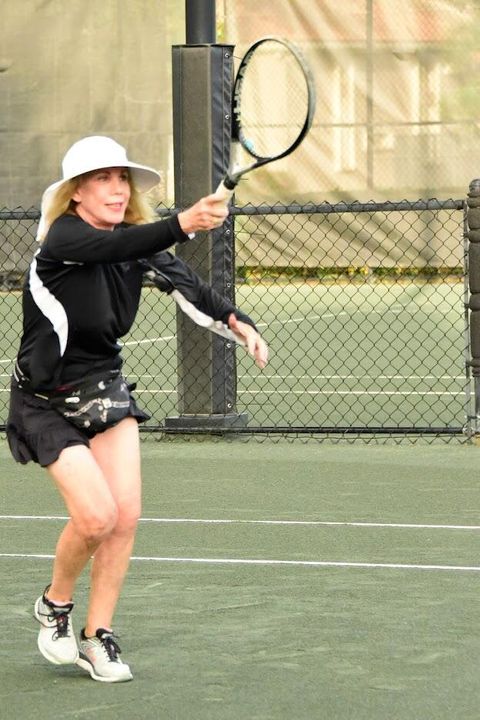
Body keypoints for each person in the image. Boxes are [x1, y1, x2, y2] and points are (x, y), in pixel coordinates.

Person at [6, 135, 268, 683]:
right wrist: (185, 220)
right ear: (76, 192)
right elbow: (112, 249)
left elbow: (187, 284)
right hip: (45, 399)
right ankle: (56, 604)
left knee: (124, 517)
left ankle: (96, 636)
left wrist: (236, 320)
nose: (117, 188)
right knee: (95, 516)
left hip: (103, 386)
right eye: (102, 178)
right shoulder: (63, 238)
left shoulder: (135, 243)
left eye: (121, 178)